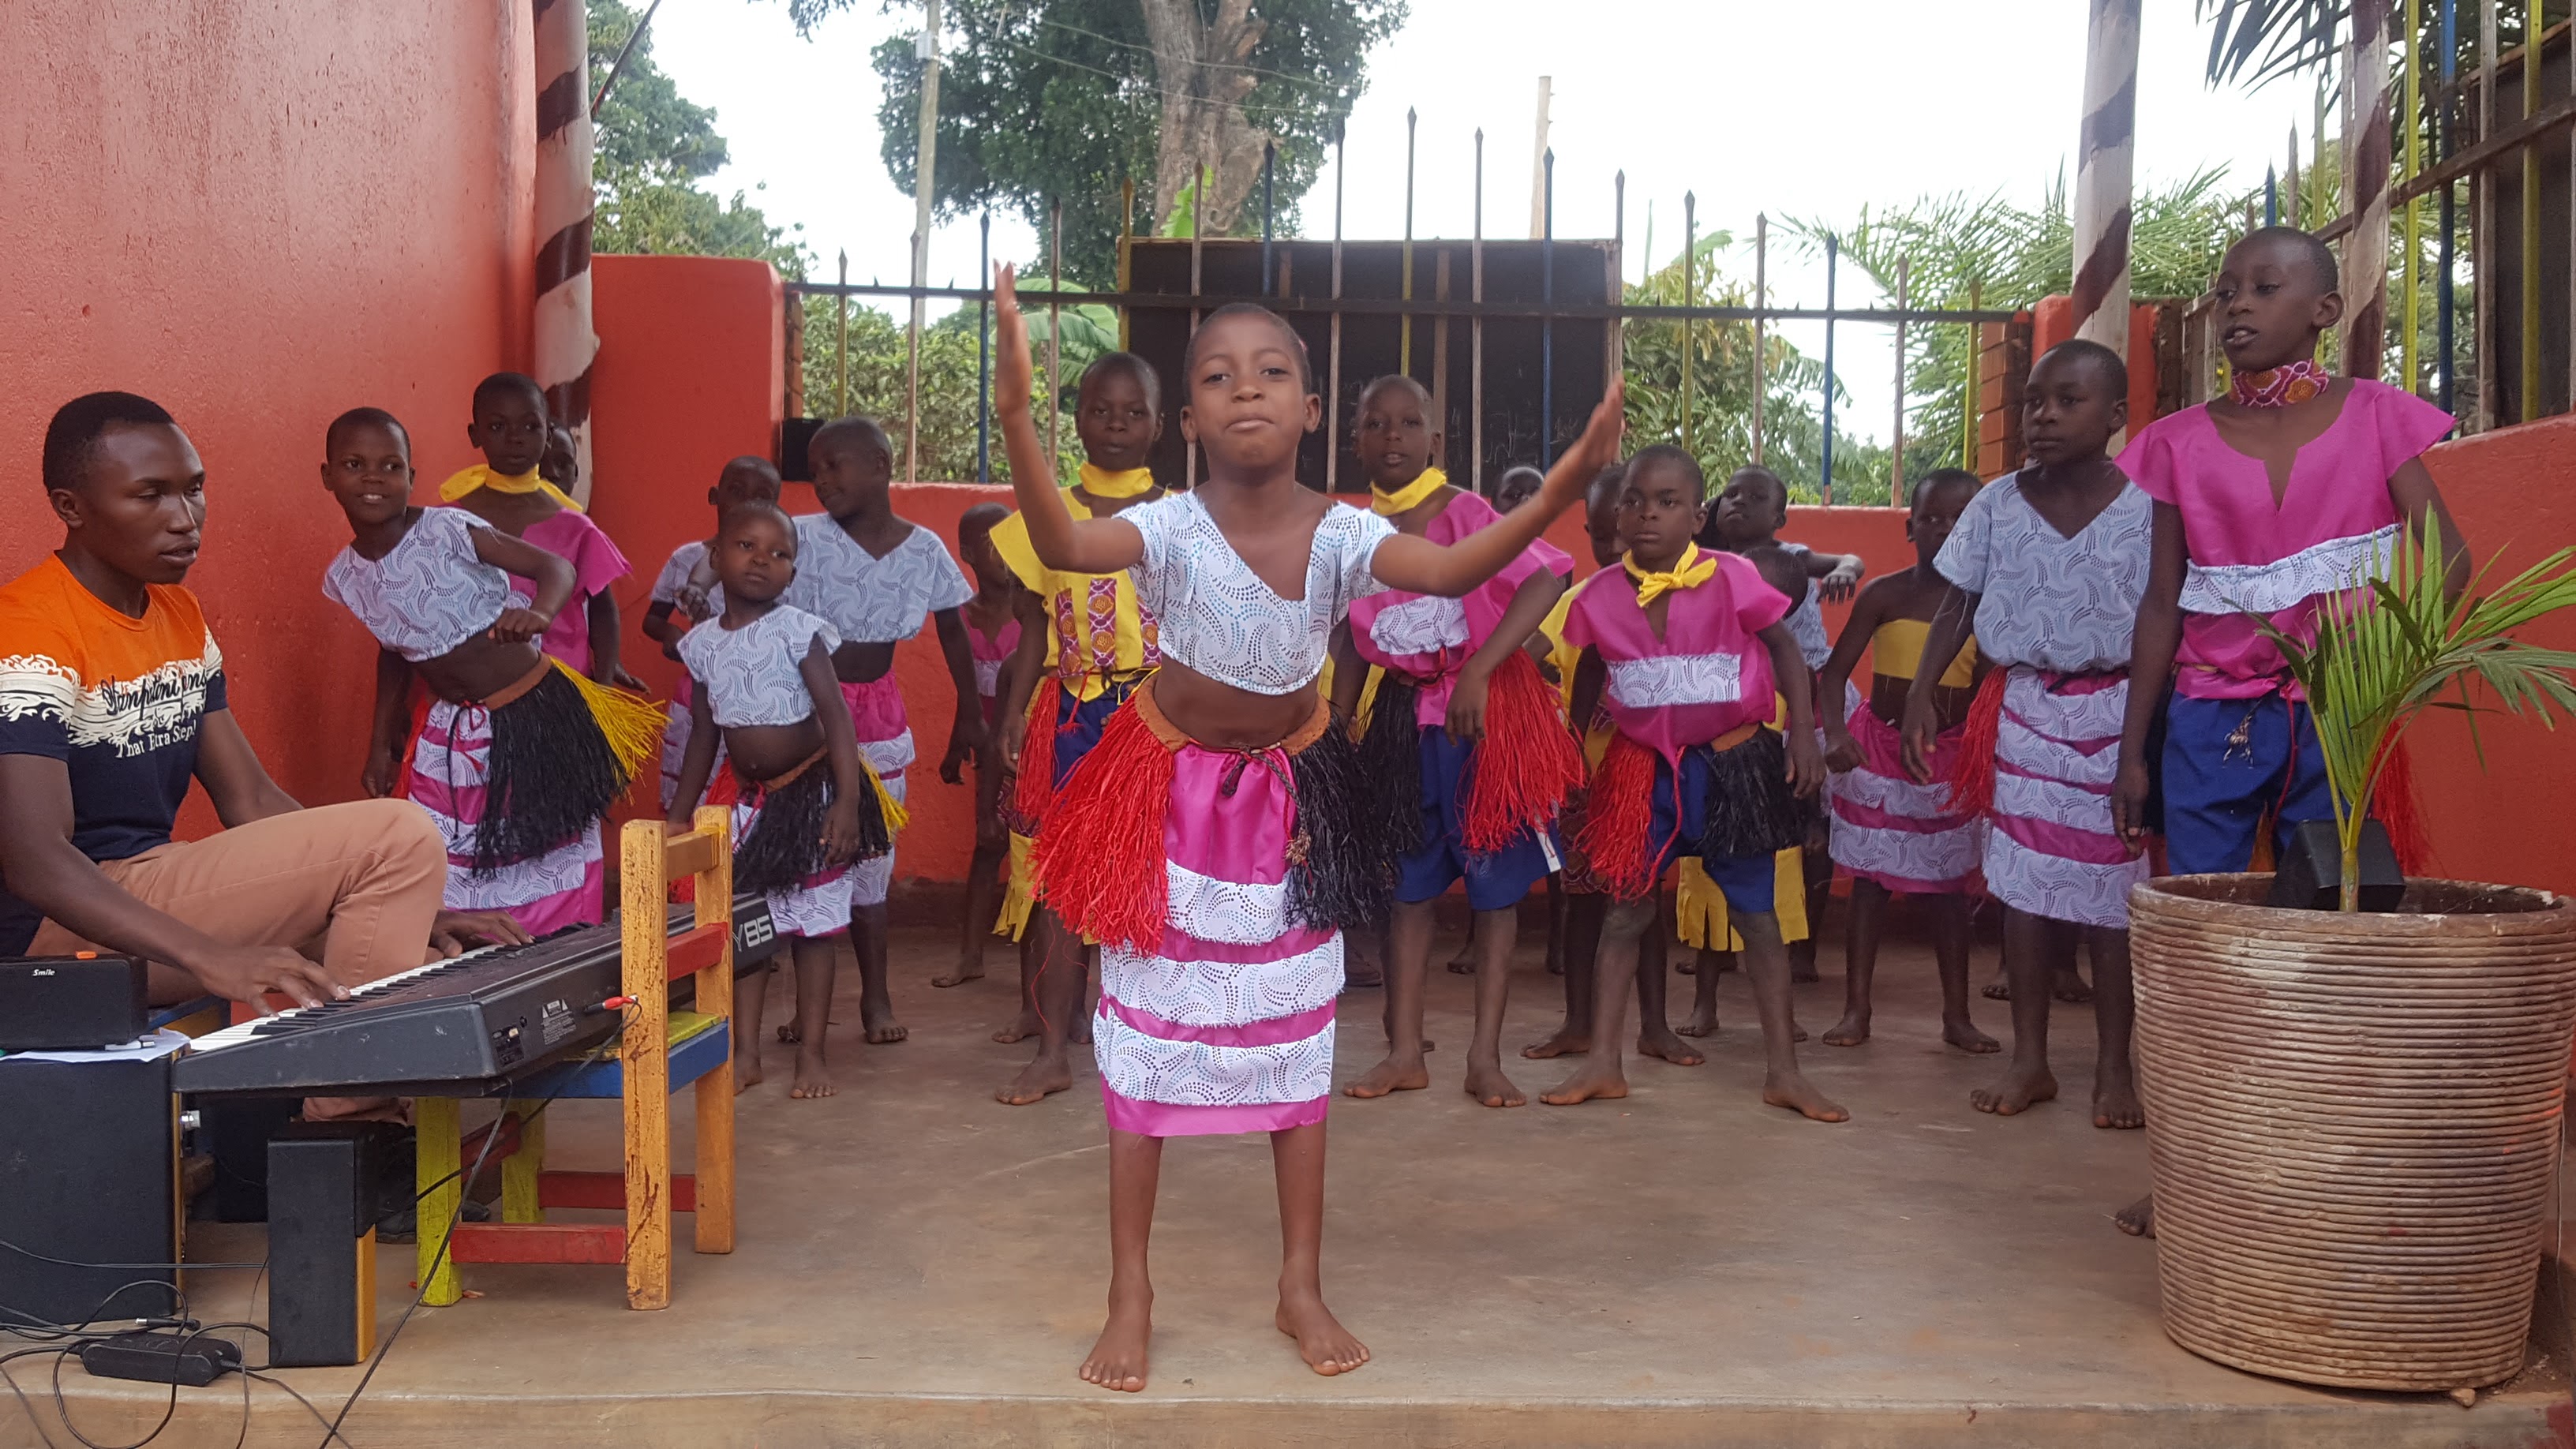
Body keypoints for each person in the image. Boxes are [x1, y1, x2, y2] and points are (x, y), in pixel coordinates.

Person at [993, 268, 1623, 1392]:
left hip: (1289, 809)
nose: (1247, 389)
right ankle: (1130, 1292)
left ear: (1311, 409)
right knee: (1148, 1043)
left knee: (1295, 1047)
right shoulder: (1165, 527)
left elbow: (1453, 568)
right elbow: (1066, 544)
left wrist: (1560, 490)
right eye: (1218, 377)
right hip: (1170, 804)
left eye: (1273, 372)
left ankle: (1300, 1283)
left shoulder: (1342, 533)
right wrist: (1012, 417)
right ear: (1190, 419)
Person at [2106, 227, 2465, 1240]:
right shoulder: (2176, 441)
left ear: (2324, 309)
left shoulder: (2378, 418)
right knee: (2202, 941)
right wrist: (2132, 752)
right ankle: (2192, 1175)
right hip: (2208, 716)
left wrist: (2388, 678)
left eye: (2265, 287)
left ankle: (2316, 1163)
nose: (2237, 305)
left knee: (2332, 934)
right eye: (2227, 290)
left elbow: (2448, 560)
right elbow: (2162, 601)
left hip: (2336, 717)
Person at [0, 393, 523, 1034]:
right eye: (150, 495)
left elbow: (249, 797)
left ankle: (347, 1088)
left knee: (422, 956)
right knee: (402, 831)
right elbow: (35, 859)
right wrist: (209, 956)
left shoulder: (177, 614)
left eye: (194, 489)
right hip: (55, 931)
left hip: (153, 882)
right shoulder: (29, 629)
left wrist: (404, 901)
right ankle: (347, 1084)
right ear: (70, 507)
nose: (184, 519)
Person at [1541, 445, 1844, 1121]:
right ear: (1619, 515)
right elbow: (1589, 667)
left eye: (1668, 502)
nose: (1648, 514)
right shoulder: (1598, 595)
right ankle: (1604, 1062)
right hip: (1640, 772)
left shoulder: (1734, 576)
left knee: (1757, 918)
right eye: (1635, 501)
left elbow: (1784, 647)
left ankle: (1784, 1072)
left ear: (1696, 516)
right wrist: (1573, 745)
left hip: (1733, 764)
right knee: (1625, 913)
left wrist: (1801, 733)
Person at [1901, 339, 2153, 1133]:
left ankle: (2114, 1069)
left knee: (2114, 898)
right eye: (2034, 401)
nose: (2043, 416)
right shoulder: (1997, 503)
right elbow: (1959, 603)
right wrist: (1922, 692)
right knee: (2024, 888)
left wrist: (2140, 747)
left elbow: (2163, 621)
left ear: (2115, 415)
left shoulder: (2151, 505)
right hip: (2023, 712)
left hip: (2119, 717)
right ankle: (2030, 1060)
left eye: (2068, 401)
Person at [322, 409, 664, 936]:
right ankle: (476, 950)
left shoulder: (445, 529)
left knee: (541, 848)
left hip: (533, 714)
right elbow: (393, 652)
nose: (374, 477)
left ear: (412, 476)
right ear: (328, 477)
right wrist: (378, 745)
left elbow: (556, 568)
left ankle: (550, 952)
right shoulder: (347, 576)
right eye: (354, 464)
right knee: (453, 851)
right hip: (453, 731)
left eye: (391, 466)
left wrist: (540, 614)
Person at [1334, 376, 1578, 1110]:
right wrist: (1338, 722)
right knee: (1407, 891)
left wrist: (1481, 669)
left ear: (1435, 441)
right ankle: (1405, 1052)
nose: (1393, 435)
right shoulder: (1348, 535)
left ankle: (1484, 1059)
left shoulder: (1467, 512)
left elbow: (1546, 580)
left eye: (1409, 423)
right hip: (1403, 727)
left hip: (1484, 722)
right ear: (1356, 442)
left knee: (1494, 893)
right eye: (1376, 424)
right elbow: (1349, 636)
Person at [667, 503, 899, 1099]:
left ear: (793, 572)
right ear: (715, 558)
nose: (761, 560)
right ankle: (745, 1054)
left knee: (813, 932)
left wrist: (846, 802)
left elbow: (837, 718)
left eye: (779, 553)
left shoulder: (799, 631)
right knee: (748, 930)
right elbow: (704, 735)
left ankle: (812, 1056)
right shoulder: (701, 645)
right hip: (751, 807)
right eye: (746, 546)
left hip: (812, 797)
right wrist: (679, 814)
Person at [987, 353, 1167, 1102]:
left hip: (1159, 718)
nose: (1117, 424)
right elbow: (1034, 627)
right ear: (1076, 418)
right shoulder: (1046, 513)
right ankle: (1054, 1049)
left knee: (1158, 877)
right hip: (1069, 714)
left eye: (1134, 411)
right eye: (1100, 410)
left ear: (1161, 425)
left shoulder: (1184, 516)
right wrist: (1013, 712)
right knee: (1057, 885)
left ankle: (1158, 1041)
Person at [780, 416, 983, 1046]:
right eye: (814, 470)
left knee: (872, 858)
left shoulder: (923, 549)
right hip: (805, 710)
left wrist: (969, 712)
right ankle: (806, 1007)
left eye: (834, 465)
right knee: (806, 854)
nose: (821, 479)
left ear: (880, 466)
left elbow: (954, 630)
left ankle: (876, 998)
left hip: (878, 715)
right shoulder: (799, 537)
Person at [1815, 468, 1994, 1054]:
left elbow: (1988, 689)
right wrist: (1835, 733)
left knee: (1949, 893)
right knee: (1869, 886)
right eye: (1932, 518)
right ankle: (1856, 1010)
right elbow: (1833, 675)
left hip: (1948, 759)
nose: (1945, 529)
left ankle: (1957, 1016)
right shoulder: (1884, 594)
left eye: (1960, 519)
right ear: (1910, 527)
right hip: (1879, 756)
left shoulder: (1985, 603)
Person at [1705, 465, 1862, 983]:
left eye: (1755, 497)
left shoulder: (1793, 556)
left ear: (1779, 517)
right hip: (1741, 699)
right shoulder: (1705, 563)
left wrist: (1844, 571)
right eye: (1730, 493)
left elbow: (1850, 559)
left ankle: (1803, 947)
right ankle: (1721, 940)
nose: (1738, 502)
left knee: (1811, 821)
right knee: (1731, 816)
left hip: (1805, 697)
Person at [436, 374, 637, 687]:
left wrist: (605, 681)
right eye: (498, 426)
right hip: (476, 690)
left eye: (530, 426)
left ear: (548, 435)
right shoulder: (447, 521)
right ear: (475, 435)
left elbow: (602, 610)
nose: (515, 438)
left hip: (562, 686)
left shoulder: (576, 528)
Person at [642, 455, 785, 811]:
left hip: (759, 701)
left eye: (762, 496)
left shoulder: (779, 566)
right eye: (736, 492)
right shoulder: (686, 558)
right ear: (714, 496)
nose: (748, 504)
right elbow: (652, 620)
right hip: (698, 698)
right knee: (691, 799)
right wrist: (672, 635)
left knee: (749, 805)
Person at [941, 500, 1020, 990]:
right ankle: (970, 955)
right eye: (992, 544)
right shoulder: (962, 617)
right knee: (988, 844)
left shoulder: (1035, 610)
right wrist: (956, 744)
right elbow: (967, 694)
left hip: (1029, 744)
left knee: (1038, 852)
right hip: (988, 746)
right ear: (968, 553)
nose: (1005, 552)